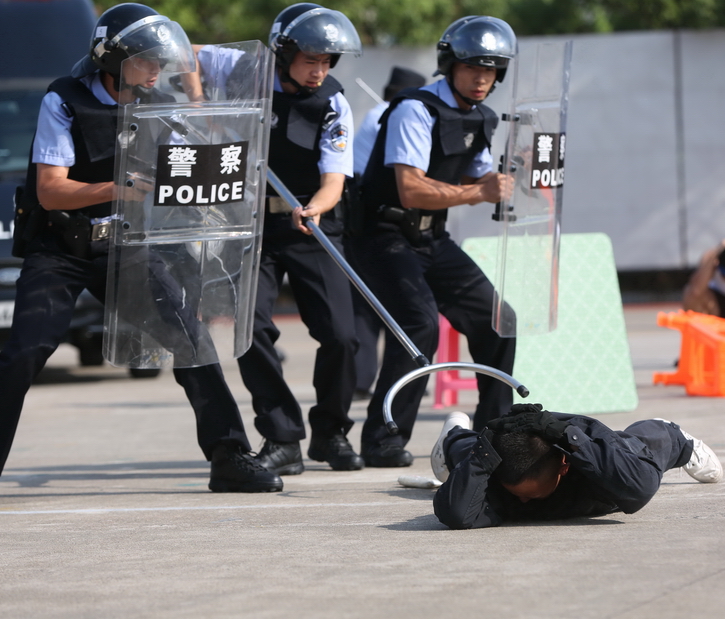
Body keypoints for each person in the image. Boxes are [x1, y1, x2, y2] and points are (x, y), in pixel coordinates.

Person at [0, 4, 283, 509]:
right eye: (146, 60)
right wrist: (120, 188)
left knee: (191, 340)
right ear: (113, 59)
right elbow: (51, 191)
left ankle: (229, 456)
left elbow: (194, 155)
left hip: (128, 246)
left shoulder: (156, 101)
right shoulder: (65, 99)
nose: (156, 70)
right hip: (62, 247)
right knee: (25, 351)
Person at [194, 4, 364, 475]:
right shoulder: (243, 68)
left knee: (343, 337)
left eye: (328, 62)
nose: (319, 71)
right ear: (283, 53)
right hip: (251, 226)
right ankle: (282, 435)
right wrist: (199, 107)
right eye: (311, 60)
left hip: (310, 220)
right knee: (254, 331)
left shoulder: (333, 102)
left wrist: (317, 206)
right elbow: (182, 54)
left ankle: (331, 432)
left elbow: (335, 178)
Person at [345, 16, 518, 468]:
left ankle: (492, 431)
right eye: (473, 67)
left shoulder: (480, 116)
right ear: (450, 64)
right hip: (383, 235)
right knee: (417, 327)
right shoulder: (413, 109)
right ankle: (383, 438)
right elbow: (413, 189)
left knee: (499, 319)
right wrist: (480, 192)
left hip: (430, 237)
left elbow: (474, 173)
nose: (483, 78)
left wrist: (516, 175)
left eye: (492, 69)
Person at [429, 405, 723, 530]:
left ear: (564, 467)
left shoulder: (599, 463)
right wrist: (485, 449)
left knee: (642, 447)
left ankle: (681, 441)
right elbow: (456, 513)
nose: (522, 502)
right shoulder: (497, 470)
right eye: (516, 494)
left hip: (596, 451)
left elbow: (640, 490)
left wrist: (571, 438)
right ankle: (453, 435)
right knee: (465, 452)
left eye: (532, 495)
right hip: (506, 452)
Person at [350, 66, 427, 400]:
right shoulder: (392, 116)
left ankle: (365, 379)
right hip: (375, 214)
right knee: (391, 303)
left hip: (369, 213)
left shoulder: (378, 114)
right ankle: (404, 376)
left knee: (368, 304)